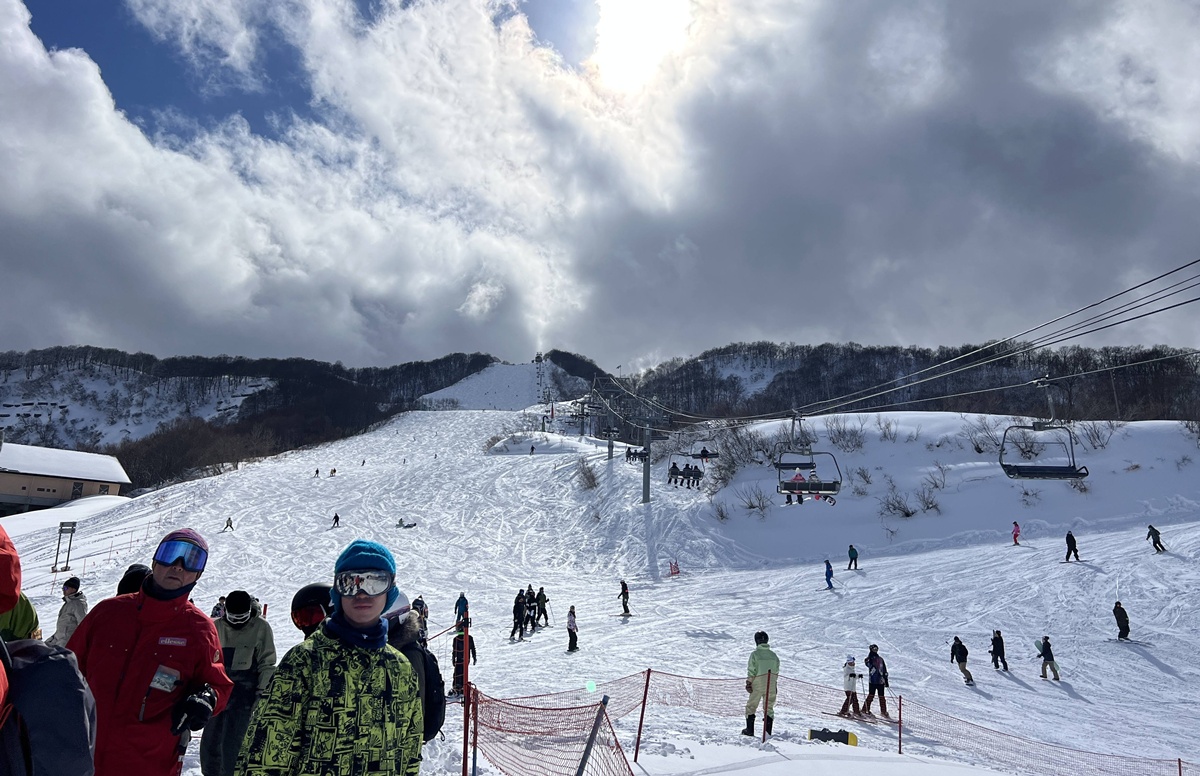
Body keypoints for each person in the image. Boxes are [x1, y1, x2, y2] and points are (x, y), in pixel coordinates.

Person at [237, 539, 422, 776]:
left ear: (390, 591)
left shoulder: (400, 669)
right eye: (350, 583)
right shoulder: (303, 661)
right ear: (337, 592)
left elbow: (409, 751)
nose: (362, 593)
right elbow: (263, 758)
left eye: (375, 582)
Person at [68, 529, 233, 776]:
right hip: (82, 754)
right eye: (171, 554)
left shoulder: (199, 630)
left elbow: (218, 685)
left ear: (198, 574)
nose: (178, 566)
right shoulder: (108, 613)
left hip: (148, 763)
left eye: (192, 560)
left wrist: (207, 698)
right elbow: (68, 667)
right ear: (155, 561)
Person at [200, 591, 277, 776]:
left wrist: (261, 693)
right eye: (232, 618)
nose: (236, 622)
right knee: (210, 745)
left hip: (244, 697)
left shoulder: (260, 628)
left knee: (234, 745)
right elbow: (204, 660)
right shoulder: (215, 626)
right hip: (217, 694)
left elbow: (267, 663)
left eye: (241, 618)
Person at [743, 631, 779, 736]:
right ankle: (767, 732)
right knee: (769, 707)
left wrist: (749, 683)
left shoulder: (755, 654)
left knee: (751, 706)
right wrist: (774, 684)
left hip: (757, 683)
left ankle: (749, 730)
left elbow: (752, 670)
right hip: (771, 683)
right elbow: (776, 671)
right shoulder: (773, 655)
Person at [46, 576, 88, 647]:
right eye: (63, 588)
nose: (63, 590)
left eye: (66, 588)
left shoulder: (78, 604)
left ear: (73, 589)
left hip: (67, 642)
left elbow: (82, 624)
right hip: (58, 639)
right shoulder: (68, 603)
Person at [862, 645, 889, 717]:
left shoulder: (880, 659)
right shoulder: (869, 659)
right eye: (874, 649)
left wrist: (886, 680)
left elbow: (884, 669)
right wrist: (871, 660)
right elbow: (868, 664)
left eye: (876, 649)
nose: (875, 650)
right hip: (873, 681)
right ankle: (865, 709)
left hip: (880, 681)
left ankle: (883, 711)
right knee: (871, 695)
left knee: (882, 696)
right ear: (871, 650)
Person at [450, 627, 477, 695]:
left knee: (458, 673)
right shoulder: (469, 638)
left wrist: (453, 659)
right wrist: (474, 657)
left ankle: (458, 687)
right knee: (462, 673)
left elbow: (454, 651)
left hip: (460, 659)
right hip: (465, 659)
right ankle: (460, 687)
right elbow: (473, 649)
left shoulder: (457, 639)